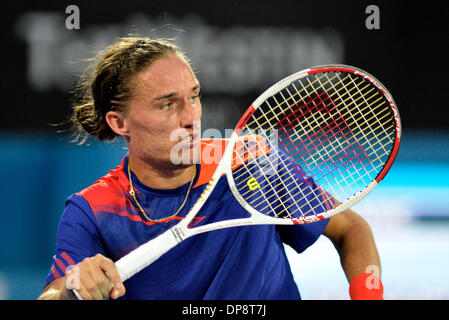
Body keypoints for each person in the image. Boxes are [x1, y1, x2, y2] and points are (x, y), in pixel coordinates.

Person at [38, 36, 383, 300]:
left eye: (194, 95)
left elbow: (349, 228)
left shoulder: (250, 161)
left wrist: (369, 293)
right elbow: (52, 294)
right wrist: (72, 286)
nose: (191, 117)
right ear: (119, 122)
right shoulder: (91, 210)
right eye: (167, 104)